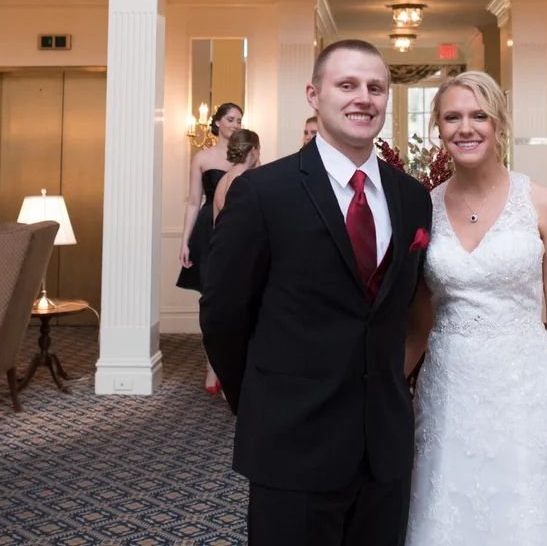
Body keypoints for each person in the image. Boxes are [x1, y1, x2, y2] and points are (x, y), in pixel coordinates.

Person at [201, 40, 432, 546]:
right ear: (314, 94)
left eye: (375, 88)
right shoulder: (263, 192)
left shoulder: (413, 198)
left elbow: (408, 311)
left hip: (384, 448)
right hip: (292, 442)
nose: (363, 98)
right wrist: (263, 403)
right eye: (347, 85)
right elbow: (223, 315)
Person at [404, 71, 547, 545]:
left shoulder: (544, 204)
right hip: (449, 391)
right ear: (437, 128)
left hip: (525, 389)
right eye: (452, 117)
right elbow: (419, 322)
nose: (465, 128)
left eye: (479, 116)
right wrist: (378, 393)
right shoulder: (423, 208)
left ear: (498, 123)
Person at [177, 101, 243, 394]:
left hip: (238, 229)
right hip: (207, 229)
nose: (236, 125)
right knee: (210, 299)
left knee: (235, 299)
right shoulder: (202, 157)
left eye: (239, 120)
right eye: (231, 119)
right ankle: (210, 364)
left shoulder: (247, 156)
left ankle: (231, 366)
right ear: (217, 123)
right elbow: (193, 202)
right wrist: (184, 241)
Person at [212, 129, 262, 221]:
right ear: (253, 150)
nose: (259, 155)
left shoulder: (223, 180)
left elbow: (216, 223)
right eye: (259, 149)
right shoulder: (244, 180)